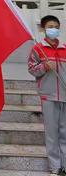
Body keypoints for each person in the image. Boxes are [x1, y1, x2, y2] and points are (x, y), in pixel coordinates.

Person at [28, 15, 66, 176]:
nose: (54, 29)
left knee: (64, 132)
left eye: (56, 26)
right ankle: (55, 166)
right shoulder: (37, 49)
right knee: (52, 133)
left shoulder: (65, 48)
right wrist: (44, 66)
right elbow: (31, 69)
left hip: (64, 95)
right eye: (50, 26)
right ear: (43, 28)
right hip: (48, 96)